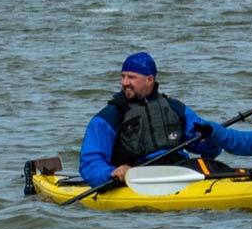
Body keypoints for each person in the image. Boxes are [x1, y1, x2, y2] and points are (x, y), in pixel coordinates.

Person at [78, 52, 225, 187]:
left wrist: (210, 140)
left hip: (180, 171)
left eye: (131, 77)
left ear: (150, 79)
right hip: (138, 178)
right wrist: (111, 173)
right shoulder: (108, 117)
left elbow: (210, 151)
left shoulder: (175, 108)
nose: (125, 82)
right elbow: (90, 163)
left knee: (213, 166)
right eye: (123, 76)